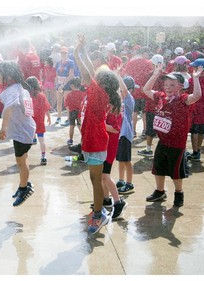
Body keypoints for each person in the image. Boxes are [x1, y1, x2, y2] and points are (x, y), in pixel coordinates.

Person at [73, 34, 122, 234]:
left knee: (95, 180)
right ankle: (98, 210)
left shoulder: (98, 94)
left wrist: (78, 50)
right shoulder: (100, 93)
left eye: (97, 77)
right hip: (92, 141)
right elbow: (90, 71)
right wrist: (82, 50)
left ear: (101, 83)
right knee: (95, 179)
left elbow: (86, 71)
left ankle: (98, 214)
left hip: (96, 142)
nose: (94, 76)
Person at [142, 63, 203, 207]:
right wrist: (155, 74)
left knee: (176, 171)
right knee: (158, 167)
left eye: (172, 84)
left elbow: (198, 95)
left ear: (181, 86)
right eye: (166, 84)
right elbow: (146, 90)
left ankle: (179, 192)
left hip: (177, 142)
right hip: (163, 140)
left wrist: (196, 79)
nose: (168, 87)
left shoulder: (184, 99)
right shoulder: (161, 97)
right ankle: (160, 191)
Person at [0, 61, 36, 207]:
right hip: (25, 130)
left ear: (7, 75)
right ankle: (23, 183)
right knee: (23, 159)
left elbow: (10, 107)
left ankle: (24, 188)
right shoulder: (19, 87)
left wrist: (3, 128)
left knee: (21, 162)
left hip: (22, 132)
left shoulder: (13, 90)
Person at [187, 58, 204, 161]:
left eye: (194, 67)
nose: (192, 68)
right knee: (201, 130)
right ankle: (198, 150)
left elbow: (188, 95)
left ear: (199, 68)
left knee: (194, 130)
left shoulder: (192, 80)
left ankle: (195, 152)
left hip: (193, 109)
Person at [116, 75, 136, 195]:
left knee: (126, 160)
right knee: (120, 160)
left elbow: (124, 90)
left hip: (125, 134)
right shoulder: (119, 100)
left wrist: (118, 75)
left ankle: (129, 183)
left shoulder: (129, 100)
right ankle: (121, 180)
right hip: (119, 134)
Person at [26, 76, 51, 165]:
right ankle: (43, 157)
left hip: (29, 122)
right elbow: (46, 108)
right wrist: (49, 117)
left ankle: (24, 157)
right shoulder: (42, 96)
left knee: (26, 141)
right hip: (39, 122)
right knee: (42, 140)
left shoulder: (27, 96)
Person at [55, 46, 75, 125]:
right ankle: (59, 117)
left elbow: (71, 75)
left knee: (66, 102)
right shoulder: (58, 63)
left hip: (67, 84)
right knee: (59, 102)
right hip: (59, 84)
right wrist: (56, 83)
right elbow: (56, 74)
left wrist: (63, 85)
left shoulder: (70, 62)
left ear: (67, 53)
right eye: (62, 53)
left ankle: (69, 118)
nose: (63, 54)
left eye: (65, 53)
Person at [64, 77, 86, 145]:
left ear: (72, 86)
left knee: (72, 126)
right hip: (79, 112)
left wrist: (68, 114)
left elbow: (66, 104)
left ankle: (70, 140)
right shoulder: (83, 94)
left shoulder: (70, 94)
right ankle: (84, 139)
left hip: (72, 112)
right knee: (80, 126)